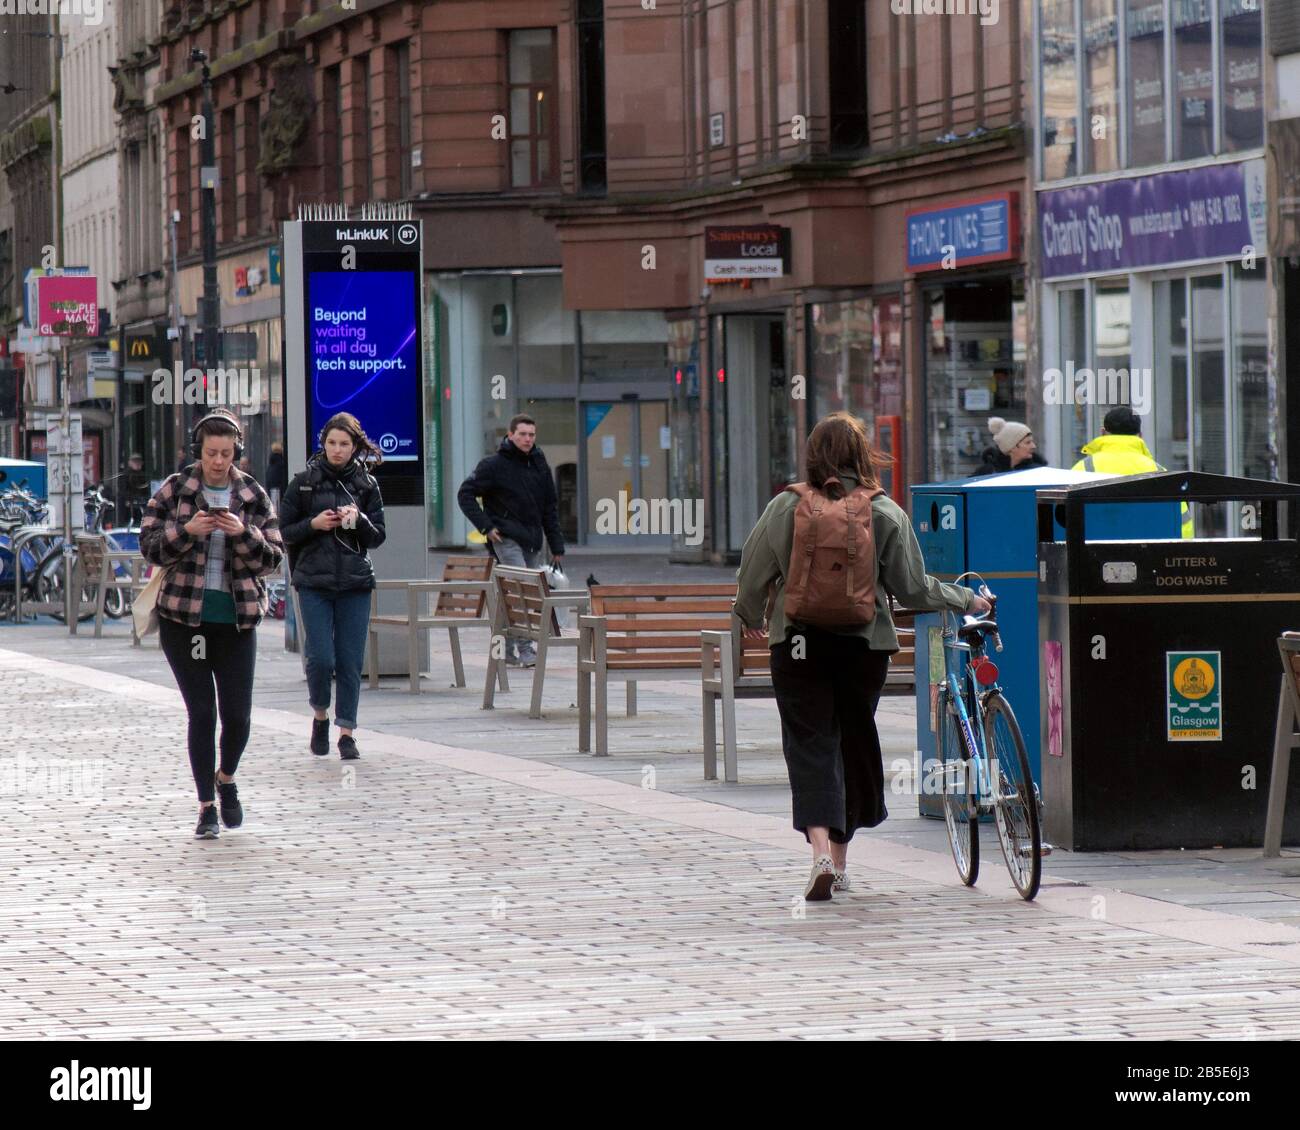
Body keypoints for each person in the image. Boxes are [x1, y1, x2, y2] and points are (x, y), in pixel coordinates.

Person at [735, 412, 990, 901]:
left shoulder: (784, 507)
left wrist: (749, 614)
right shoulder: (884, 511)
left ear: (812, 456)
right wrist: (965, 600)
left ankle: (819, 856)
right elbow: (913, 587)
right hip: (862, 646)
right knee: (851, 743)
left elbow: (753, 571)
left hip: (798, 644)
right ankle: (843, 859)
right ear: (861, 456)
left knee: (811, 746)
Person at [140, 409, 284, 840]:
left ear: (236, 451)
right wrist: (188, 530)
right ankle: (206, 806)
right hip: (186, 621)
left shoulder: (252, 494)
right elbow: (149, 547)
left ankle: (226, 777)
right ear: (197, 451)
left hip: (236, 621)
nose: (218, 461)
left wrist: (243, 533)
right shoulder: (175, 489)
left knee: (237, 716)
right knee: (202, 712)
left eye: (225, 453)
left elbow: (273, 559)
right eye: (210, 453)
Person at [279, 412, 386, 760]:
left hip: (355, 582)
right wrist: (314, 524)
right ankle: (320, 714)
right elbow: (283, 531)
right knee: (321, 657)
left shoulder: (367, 485)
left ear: (355, 447)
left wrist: (359, 521)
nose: (337, 450)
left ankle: (346, 733)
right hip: (314, 582)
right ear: (322, 444)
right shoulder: (303, 483)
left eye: (344, 444)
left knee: (350, 660)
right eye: (331, 443)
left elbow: (378, 537)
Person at [456, 414, 565, 666]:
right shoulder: (493, 465)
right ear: (511, 434)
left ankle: (504, 649)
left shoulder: (539, 463)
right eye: (523, 434)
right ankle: (527, 650)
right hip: (506, 538)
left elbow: (550, 507)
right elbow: (466, 494)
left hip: (532, 539)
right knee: (522, 590)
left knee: (512, 593)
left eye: (532, 434)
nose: (527, 439)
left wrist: (556, 544)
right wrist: (486, 527)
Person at [1072, 405, 1192, 537]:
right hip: (1147, 552)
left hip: (1095, 553)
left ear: (1103, 432)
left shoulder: (1082, 469)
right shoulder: (1159, 472)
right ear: (1140, 435)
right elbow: (1183, 523)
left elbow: (1063, 520)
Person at [972, 417, 1048, 476]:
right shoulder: (987, 473)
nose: (1033, 446)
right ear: (1012, 447)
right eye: (1028, 442)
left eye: (1032, 442)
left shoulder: (1038, 473)